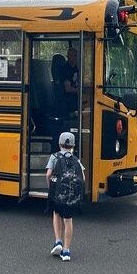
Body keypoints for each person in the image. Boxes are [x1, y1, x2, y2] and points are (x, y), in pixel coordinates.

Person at [46, 132, 85, 262]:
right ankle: (66, 251)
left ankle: (58, 241)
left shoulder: (54, 157)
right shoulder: (76, 160)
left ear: (59, 144)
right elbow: (83, 178)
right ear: (73, 145)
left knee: (56, 214)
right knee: (68, 220)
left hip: (57, 194)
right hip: (71, 196)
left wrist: (50, 186)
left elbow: (48, 174)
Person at [61, 47, 79, 116]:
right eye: (71, 55)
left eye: (75, 55)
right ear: (67, 56)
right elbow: (68, 89)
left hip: (77, 97)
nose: (73, 58)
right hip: (70, 99)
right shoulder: (65, 69)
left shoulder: (76, 68)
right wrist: (80, 91)